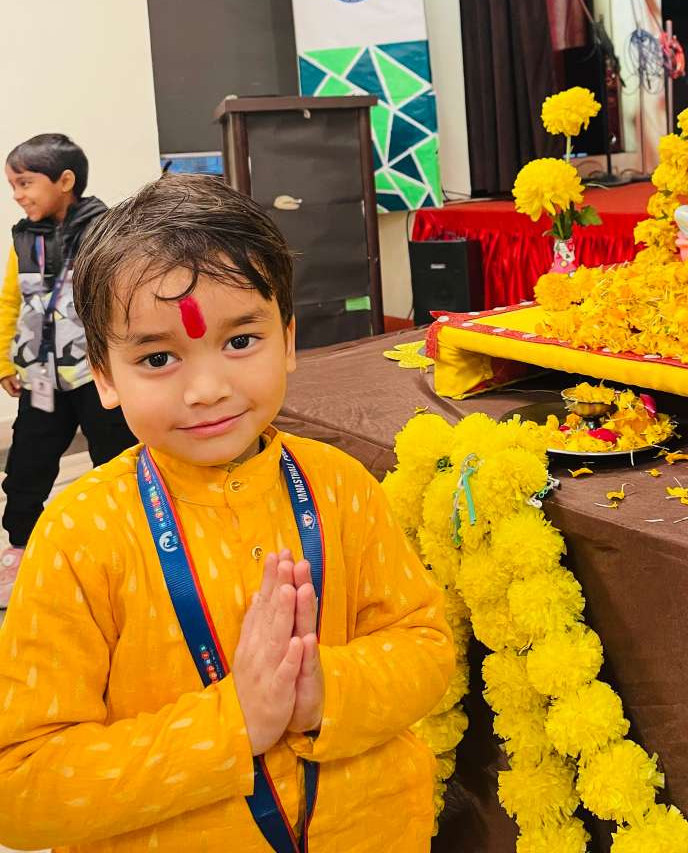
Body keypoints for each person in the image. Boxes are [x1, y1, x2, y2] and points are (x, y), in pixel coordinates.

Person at [0, 174, 453, 852]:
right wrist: (235, 721)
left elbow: (425, 647)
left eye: (241, 342)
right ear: (104, 376)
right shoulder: (79, 536)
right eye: (158, 357)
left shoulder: (342, 486)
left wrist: (324, 693)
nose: (207, 390)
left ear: (288, 340)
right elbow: (22, 786)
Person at [0, 133, 135, 606]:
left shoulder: (107, 231)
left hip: (97, 373)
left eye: (25, 183)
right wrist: (4, 360)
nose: (17, 195)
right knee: (26, 463)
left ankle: (126, 539)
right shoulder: (23, 240)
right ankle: (21, 545)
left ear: (65, 181)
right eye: (12, 186)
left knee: (117, 458)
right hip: (40, 376)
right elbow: (11, 301)